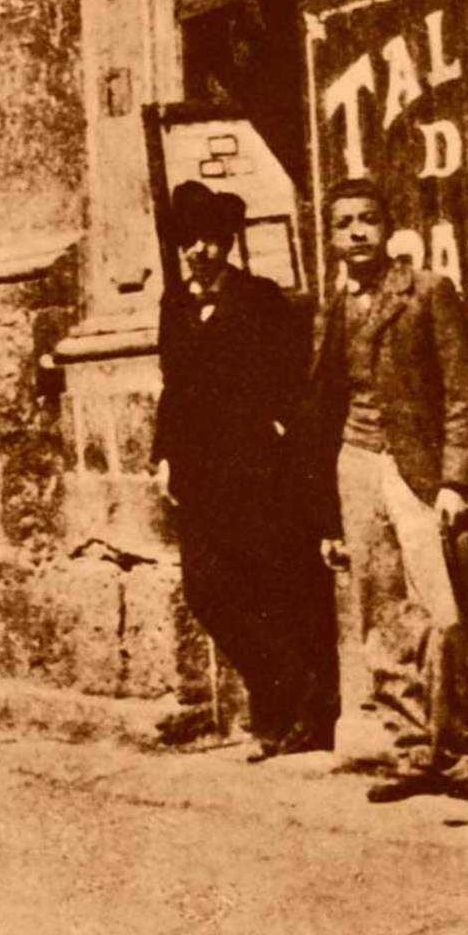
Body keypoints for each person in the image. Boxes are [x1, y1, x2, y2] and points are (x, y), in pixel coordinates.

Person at [309, 177, 468, 806]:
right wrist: (328, 513)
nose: (357, 232)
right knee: (382, 619)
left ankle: (462, 757)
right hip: (358, 466)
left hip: (419, 472)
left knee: (444, 615)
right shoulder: (332, 309)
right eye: (344, 223)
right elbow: (323, 410)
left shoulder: (428, 292)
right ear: (331, 236)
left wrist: (455, 481)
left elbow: (463, 394)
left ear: (388, 227)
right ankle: (410, 752)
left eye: (368, 220)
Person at [151, 180, 338, 760]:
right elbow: (173, 387)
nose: (200, 250)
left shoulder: (260, 297)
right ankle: (286, 686)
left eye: (210, 239)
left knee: (269, 588)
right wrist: (163, 456)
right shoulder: (174, 305)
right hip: (197, 473)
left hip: (257, 470)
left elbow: (290, 382)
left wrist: (281, 438)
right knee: (205, 590)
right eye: (190, 240)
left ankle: (285, 720)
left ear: (228, 242)